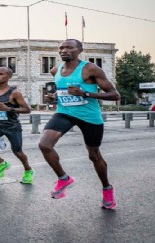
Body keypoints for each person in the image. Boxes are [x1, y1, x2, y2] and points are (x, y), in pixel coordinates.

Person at [38, 39, 120, 209]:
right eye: (61, 48)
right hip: (64, 113)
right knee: (44, 145)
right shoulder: (56, 70)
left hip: (89, 116)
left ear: (79, 50)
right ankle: (63, 178)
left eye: (69, 47)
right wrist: (54, 97)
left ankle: (107, 188)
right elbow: (63, 91)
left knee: (94, 155)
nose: (64, 50)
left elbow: (114, 95)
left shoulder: (90, 69)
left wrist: (86, 94)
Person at [0, 67, 35, 183]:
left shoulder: (14, 93)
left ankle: (28, 170)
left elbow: (27, 109)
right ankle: (2, 163)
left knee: (17, 152)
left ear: (9, 77)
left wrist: (8, 108)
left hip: (11, 126)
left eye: (1, 74)